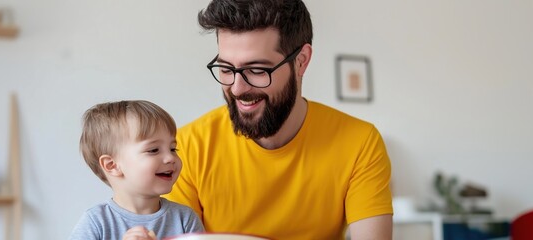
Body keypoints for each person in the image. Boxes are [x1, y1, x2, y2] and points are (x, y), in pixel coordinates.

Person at [163, 0, 394, 239]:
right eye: (226, 69)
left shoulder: (359, 142)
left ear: (301, 61)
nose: (237, 88)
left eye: (257, 70)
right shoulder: (187, 147)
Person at [70, 100, 204, 240]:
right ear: (112, 165)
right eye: (153, 150)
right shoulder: (96, 222)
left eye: (173, 149)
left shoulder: (185, 218)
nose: (170, 157)